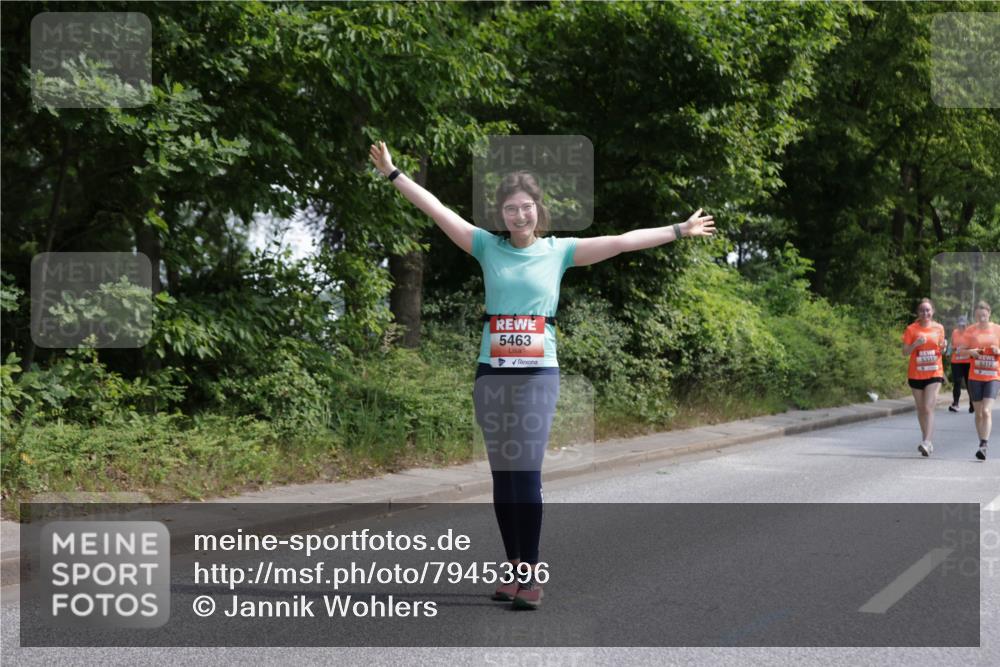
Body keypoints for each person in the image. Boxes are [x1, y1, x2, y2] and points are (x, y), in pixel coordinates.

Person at [369, 140, 715, 608]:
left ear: (538, 210)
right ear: (502, 214)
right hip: (491, 372)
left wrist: (679, 230)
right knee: (503, 477)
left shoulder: (559, 251)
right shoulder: (485, 247)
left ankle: (530, 576)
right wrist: (393, 173)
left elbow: (622, 241)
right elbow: (436, 209)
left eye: (526, 208)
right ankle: (513, 570)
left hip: (538, 374)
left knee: (525, 471)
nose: (519, 216)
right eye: (510, 209)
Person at [902, 298, 946, 456]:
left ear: (932, 311)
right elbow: (905, 352)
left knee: (928, 407)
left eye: (928, 310)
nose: (925, 313)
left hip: (934, 372)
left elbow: (942, 348)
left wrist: (944, 346)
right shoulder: (911, 329)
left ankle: (927, 441)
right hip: (916, 373)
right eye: (922, 310)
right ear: (918, 313)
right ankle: (926, 438)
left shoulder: (939, 328)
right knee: (920, 409)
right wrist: (915, 344)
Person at [960, 301, 999, 461]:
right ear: (976, 316)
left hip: (993, 376)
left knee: (986, 411)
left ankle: (984, 444)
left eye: (984, 314)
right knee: (978, 413)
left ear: (989, 313)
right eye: (978, 315)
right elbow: (960, 352)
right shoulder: (970, 331)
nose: (981, 317)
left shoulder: (997, 329)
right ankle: (981, 441)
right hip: (975, 377)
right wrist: (971, 352)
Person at [948, 315, 973, 413]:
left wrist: (965, 348)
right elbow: (952, 345)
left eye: (963, 325)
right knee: (957, 382)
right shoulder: (955, 332)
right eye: (960, 325)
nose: (962, 327)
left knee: (969, 383)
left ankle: (972, 405)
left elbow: (974, 346)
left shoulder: (971, 334)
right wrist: (952, 350)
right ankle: (955, 404)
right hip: (956, 361)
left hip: (967, 362)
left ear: (967, 324)